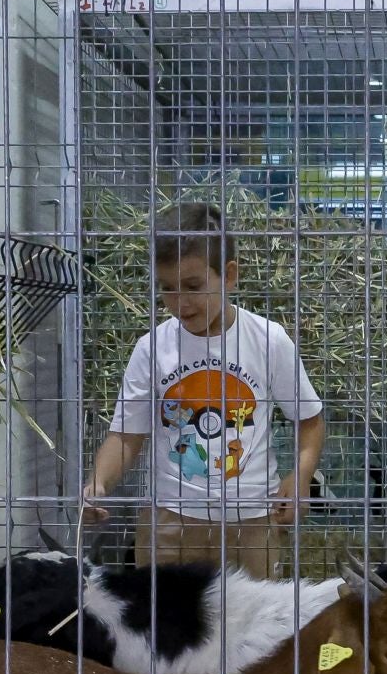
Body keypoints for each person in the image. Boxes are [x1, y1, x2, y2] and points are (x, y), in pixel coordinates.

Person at [82, 203, 326, 577]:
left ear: (229, 276)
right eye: (167, 288)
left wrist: (301, 477)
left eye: (193, 286)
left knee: (253, 613)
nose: (180, 303)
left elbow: (310, 420)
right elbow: (127, 434)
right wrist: (98, 482)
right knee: (164, 611)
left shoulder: (268, 340)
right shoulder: (152, 348)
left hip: (251, 518)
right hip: (171, 518)